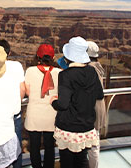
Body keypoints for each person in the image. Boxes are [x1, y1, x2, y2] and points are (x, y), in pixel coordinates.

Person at [50, 36, 104, 168]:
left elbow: (63, 104)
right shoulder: (92, 72)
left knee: (67, 162)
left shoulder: (65, 75)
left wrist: (53, 101)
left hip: (68, 127)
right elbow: (99, 94)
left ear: (68, 56)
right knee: (82, 161)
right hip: (86, 126)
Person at [24, 44, 61, 168]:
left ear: (38, 56)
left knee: (34, 147)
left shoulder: (30, 71)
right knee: (50, 147)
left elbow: (27, 92)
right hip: (51, 115)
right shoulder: (59, 73)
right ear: (53, 57)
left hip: (34, 115)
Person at [0, 39, 25, 168]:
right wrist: (16, 104)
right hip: (14, 113)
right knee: (16, 147)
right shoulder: (17, 65)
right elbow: (22, 89)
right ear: (9, 52)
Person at [86, 41, 106, 168]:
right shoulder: (97, 66)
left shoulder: (90, 68)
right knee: (95, 141)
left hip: (92, 108)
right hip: (99, 107)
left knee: (92, 144)